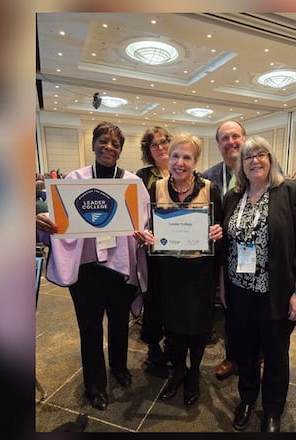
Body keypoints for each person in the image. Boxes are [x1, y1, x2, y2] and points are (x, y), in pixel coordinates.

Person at [36, 122, 150, 411]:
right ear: (93, 144)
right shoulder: (75, 179)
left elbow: (144, 219)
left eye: (115, 144)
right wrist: (44, 223)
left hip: (120, 266)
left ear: (121, 150)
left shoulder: (132, 183)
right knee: (89, 327)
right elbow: (59, 220)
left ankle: (120, 368)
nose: (109, 147)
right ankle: (95, 386)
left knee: (120, 323)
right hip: (86, 268)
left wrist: (143, 234)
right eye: (103, 141)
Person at [220, 135, 296, 432]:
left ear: (270, 159)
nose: (254, 161)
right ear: (241, 165)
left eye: (261, 154)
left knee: (275, 354)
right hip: (238, 290)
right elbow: (226, 247)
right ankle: (247, 399)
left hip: (276, 292)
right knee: (244, 350)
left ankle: (273, 409)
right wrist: (223, 285)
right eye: (248, 157)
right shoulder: (233, 197)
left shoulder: (290, 192)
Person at [133, 133, 223, 406]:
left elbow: (221, 229)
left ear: (195, 161)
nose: (180, 162)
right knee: (173, 326)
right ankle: (179, 370)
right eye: (175, 156)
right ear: (168, 158)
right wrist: (146, 235)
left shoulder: (210, 189)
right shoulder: (156, 188)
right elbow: (148, 227)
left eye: (187, 157)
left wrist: (218, 232)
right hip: (168, 271)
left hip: (200, 272)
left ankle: (194, 372)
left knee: (197, 327)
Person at [202, 120, 244, 381]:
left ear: (244, 138)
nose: (231, 142)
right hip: (221, 256)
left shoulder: (263, 170)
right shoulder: (207, 177)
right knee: (231, 312)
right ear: (218, 144)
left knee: (257, 312)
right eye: (224, 138)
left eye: (235, 136)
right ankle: (232, 357)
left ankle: (259, 358)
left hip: (256, 256)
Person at [135, 126, 173, 368]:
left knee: (174, 298)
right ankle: (153, 347)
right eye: (154, 144)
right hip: (152, 247)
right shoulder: (142, 176)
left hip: (178, 248)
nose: (160, 147)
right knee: (154, 297)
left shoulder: (184, 170)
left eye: (163, 142)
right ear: (148, 150)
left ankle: (173, 341)